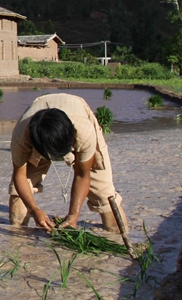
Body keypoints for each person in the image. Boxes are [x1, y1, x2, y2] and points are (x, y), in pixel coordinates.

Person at [8, 93, 126, 233]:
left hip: (76, 113)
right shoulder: (21, 135)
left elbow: (82, 175)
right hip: (39, 134)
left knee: (102, 192)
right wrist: (35, 210)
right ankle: (17, 236)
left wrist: (73, 215)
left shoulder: (84, 132)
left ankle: (117, 236)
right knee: (18, 193)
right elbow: (20, 176)